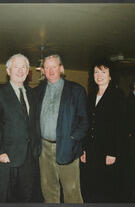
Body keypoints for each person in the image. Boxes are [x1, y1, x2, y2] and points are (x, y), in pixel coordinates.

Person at [34, 54, 89, 203]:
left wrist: (72, 139)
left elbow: (84, 120)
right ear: (43, 71)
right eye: (47, 67)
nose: (51, 71)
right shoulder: (37, 91)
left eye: (54, 66)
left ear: (61, 68)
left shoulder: (76, 90)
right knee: (48, 188)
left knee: (72, 190)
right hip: (44, 148)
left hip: (67, 146)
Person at [0, 54, 41, 202]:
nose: (20, 70)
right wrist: (0, 151)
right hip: (6, 157)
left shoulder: (32, 94)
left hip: (29, 158)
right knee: (3, 198)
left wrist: (37, 148)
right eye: (16, 67)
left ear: (28, 71)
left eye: (23, 67)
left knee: (26, 197)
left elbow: (34, 123)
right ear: (8, 71)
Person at [80, 60, 125, 202]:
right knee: (91, 187)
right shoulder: (91, 96)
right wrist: (84, 149)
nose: (99, 75)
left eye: (103, 72)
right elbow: (87, 124)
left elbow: (120, 127)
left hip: (107, 151)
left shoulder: (117, 95)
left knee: (107, 189)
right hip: (92, 151)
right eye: (96, 72)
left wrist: (112, 152)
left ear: (111, 76)